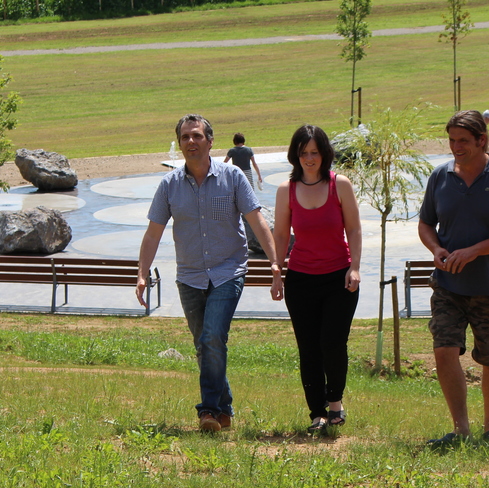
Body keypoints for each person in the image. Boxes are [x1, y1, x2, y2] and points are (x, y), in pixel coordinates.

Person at [136, 114, 281, 432]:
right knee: (204, 345)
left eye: (197, 136)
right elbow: (153, 233)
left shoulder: (233, 177)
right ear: (179, 143)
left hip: (229, 270)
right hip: (189, 276)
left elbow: (257, 221)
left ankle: (209, 411)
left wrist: (274, 264)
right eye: (185, 137)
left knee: (213, 336)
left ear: (210, 141)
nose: (191, 141)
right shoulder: (170, 185)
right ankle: (224, 409)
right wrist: (142, 273)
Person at [418, 110, 489, 447]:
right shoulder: (440, 176)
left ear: (482, 140)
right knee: (444, 349)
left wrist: (475, 251)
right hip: (448, 284)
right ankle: (460, 429)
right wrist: (436, 248)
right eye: (452, 140)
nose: (456, 147)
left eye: (463, 140)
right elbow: (425, 223)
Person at [271, 125, 363, 434]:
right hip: (301, 280)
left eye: (314, 152)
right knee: (308, 348)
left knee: (332, 343)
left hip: (339, 277)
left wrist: (355, 267)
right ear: (295, 155)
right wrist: (277, 271)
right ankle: (317, 413)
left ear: (325, 154)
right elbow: (281, 234)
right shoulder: (286, 190)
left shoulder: (340, 185)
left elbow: (354, 229)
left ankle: (335, 402)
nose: (309, 159)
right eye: (303, 153)